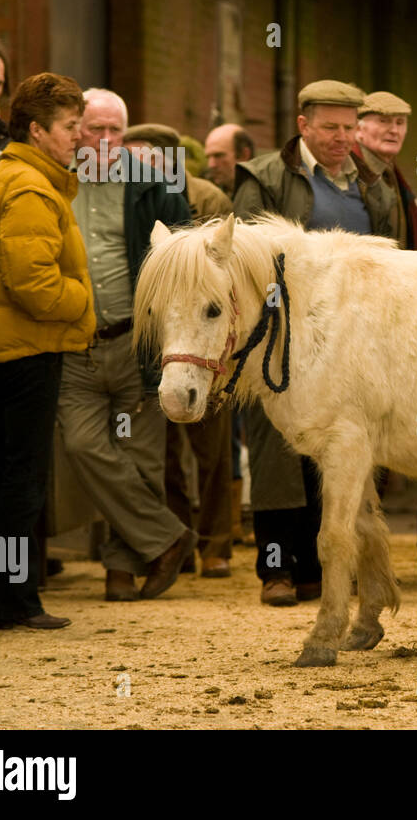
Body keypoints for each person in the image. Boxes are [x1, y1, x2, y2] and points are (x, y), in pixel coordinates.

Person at [0, 72, 96, 629]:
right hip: (26, 347)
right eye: (70, 127)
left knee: (15, 475)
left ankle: (9, 596)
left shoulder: (20, 177)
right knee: (23, 477)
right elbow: (33, 282)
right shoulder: (29, 187)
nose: (79, 138)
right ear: (38, 130)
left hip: (12, 343)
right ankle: (14, 600)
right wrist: (85, 302)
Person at [232, 80, 368, 606]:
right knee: (274, 450)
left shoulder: (373, 179)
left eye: (349, 127)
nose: (341, 137)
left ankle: (319, 568)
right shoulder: (264, 178)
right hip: (276, 336)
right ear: (303, 125)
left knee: (339, 445)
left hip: (353, 340)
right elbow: (240, 252)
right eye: (330, 127)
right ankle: (276, 569)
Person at [58, 89, 195, 603]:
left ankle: (121, 570)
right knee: (82, 445)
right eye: (95, 129)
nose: (106, 140)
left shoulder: (157, 184)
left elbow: (185, 259)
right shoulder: (58, 180)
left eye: (116, 130)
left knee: (141, 460)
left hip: (136, 340)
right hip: (74, 341)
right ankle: (169, 537)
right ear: (76, 130)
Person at [124, 123, 236, 579]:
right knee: (165, 449)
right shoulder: (132, 198)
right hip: (163, 334)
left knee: (213, 448)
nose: (133, 165)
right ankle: (179, 538)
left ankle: (216, 544)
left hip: (205, 336)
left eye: (145, 157)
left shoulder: (208, 200)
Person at [353, 91, 417, 249]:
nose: (394, 130)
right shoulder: (348, 172)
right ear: (358, 129)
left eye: (400, 123)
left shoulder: (390, 171)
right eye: (384, 121)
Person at [204, 123, 254, 196]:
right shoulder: (207, 196)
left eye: (218, 156)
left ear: (244, 155)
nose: (211, 165)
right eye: (208, 157)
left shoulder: (267, 196)